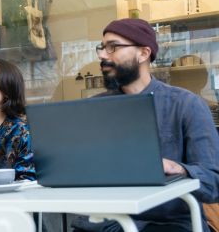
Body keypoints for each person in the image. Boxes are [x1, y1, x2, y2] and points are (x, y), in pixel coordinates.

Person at [72, 18, 219, 232]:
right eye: (102, 48)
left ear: (143, 53)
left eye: (113, 47)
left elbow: (214, 183)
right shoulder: (94, 109)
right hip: (108, 221)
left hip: (168, 223)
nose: (102, 55)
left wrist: (178, 168)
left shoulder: (186, 105)